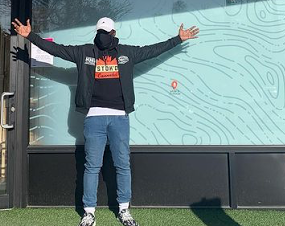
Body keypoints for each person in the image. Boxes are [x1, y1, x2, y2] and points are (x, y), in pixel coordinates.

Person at [12, 17, 199, 226]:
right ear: (97, 33)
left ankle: (124, 210)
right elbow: (56, 50)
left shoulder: (126, 53)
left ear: (113, 34)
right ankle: (89, 213)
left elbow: (152, 51)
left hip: (120, 117)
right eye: (100, 32)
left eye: (106, 33)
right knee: (92, 166)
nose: (103, 37)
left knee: (122, 165)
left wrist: (177, 39)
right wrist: (30, 36)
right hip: (94, 117)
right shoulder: (84, 52)